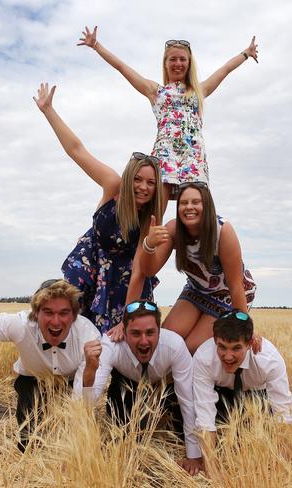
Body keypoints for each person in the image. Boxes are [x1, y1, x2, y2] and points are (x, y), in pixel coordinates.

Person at [34, 83, 163, 336]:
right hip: (90, 262)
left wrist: (125, 318)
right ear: (127, 179)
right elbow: (77, 150)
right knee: (69, 322)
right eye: (137, 179)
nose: (143, 187)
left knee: (125, 334)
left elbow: (139, 268)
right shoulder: (112, 184)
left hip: (125, 277)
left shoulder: (150, 217)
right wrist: (48, 110)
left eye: (150, 183)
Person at [78, 27, 259, 200]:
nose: (178, 63)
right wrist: (96, 46)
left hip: (193, 156)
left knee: (194, 208)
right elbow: (122, 67)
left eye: (182, 59)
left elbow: (225, 69)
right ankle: (149, 234)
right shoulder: (155, 91)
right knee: (156, 212)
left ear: (189, 64)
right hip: (165, 155)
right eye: (173, 59)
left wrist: (246, 54)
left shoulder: (199, 91)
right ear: (165, 64)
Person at [0, 268, 101, 452]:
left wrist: (73, 446)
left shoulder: (88, 336)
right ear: (35, 314)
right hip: (32, 383)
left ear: (74, 316)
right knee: (29, 445)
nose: (55, 321)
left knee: (71, 439)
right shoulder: (21, 325)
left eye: (63, 313)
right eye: (48, 312)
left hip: (71, 383)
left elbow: (81, 402)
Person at [82, 300, 203, 477]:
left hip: (165, 386)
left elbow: (188, 401)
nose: (144, 340)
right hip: (128, 385)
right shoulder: (110, 345)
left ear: (160, 332)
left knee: (178, 432)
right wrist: (89, 373)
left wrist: (194, 455)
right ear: (123, 332)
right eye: (136, 333)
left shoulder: (174, 345)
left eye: (150, 332)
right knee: (124, 437)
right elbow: (88, 401)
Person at [134, 182, 256, 354]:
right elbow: (149, 270)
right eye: (183, 203)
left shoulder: (223, 232)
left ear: (206, 205)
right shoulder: (174, 229)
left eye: (195, 202)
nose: (189, 207)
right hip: (197, 290)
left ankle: (183, 381)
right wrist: (149, 244)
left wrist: (245, 328)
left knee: (192, 348)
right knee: (167, 340)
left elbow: (236, 285)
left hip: (228, 295)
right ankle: (163, 380)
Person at [193, 310, 292, 472]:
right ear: (214, 340)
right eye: (222, 347)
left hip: (257, 398)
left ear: (250, 342)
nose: (228, 356)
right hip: (222, 397)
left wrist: (281, 469)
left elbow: (283, 415)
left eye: (236, 348)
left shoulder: (268, 359)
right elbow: (205, 416)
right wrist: (213, 472)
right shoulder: (204, 357)